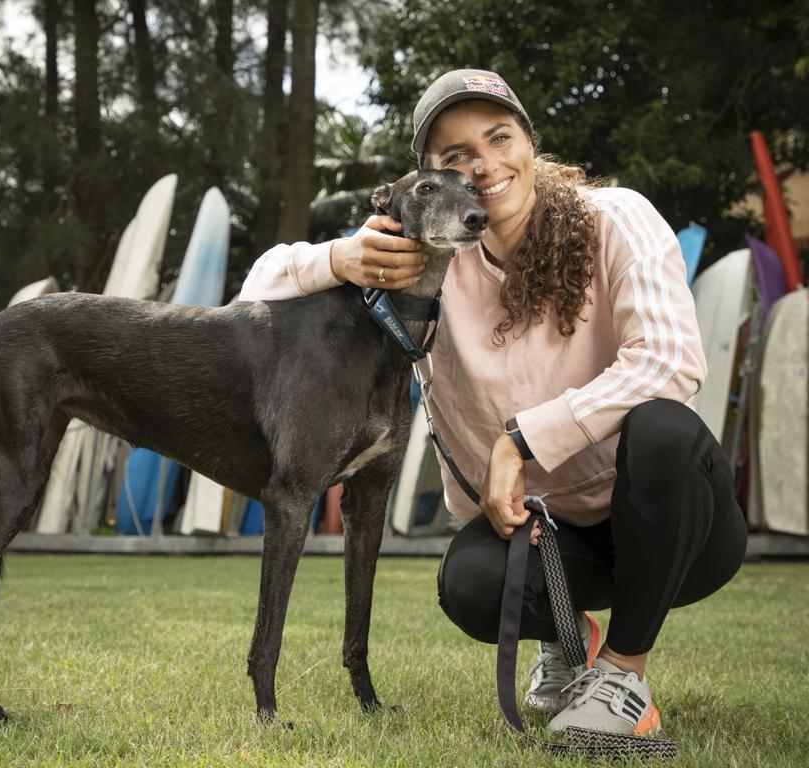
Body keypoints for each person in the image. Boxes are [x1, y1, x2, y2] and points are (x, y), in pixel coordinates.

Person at [237, 68, 747, 737]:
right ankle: (569, 644)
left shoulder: (617, 218)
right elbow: (253, 295)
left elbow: (670, 360)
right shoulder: (429, 261)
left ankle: (623, 677)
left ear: (529, 143)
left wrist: (522, 440)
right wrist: (341, 259)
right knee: (467, 585)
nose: (483, 165)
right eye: (454, 157)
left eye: (499, 137)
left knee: (662, 428)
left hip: (677, 525)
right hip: (546, 533)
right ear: (430, 179)